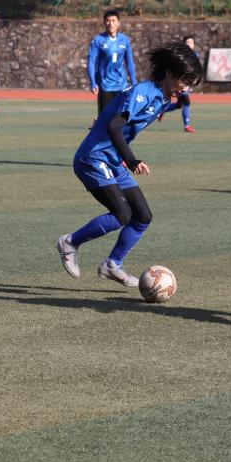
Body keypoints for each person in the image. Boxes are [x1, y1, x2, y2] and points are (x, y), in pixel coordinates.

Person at [56, 42, 203, 287]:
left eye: (191, 84)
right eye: (185, 81)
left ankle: (112, 264)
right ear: (169, 73)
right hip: (93, 158)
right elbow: (115, 126)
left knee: (143, 216)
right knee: (122, 214)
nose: (187, 88)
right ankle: (69, 242)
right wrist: (132, 160)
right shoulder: (143, 92)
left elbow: (119, 113)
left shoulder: (162, 96)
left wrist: (178, 103)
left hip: (112, 160)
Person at [87, 9, 136, 115]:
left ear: (118, 23)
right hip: (105, 86)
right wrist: (93, 82)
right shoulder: (98, 40)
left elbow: (129, 63)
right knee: (105, 119)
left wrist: (134, 83)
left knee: (121, 118)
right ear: (104, 22)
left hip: (122, 85)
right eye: (108, 21)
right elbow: (91, 62)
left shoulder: (125, 40)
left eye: (113, 21)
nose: (111, 23)